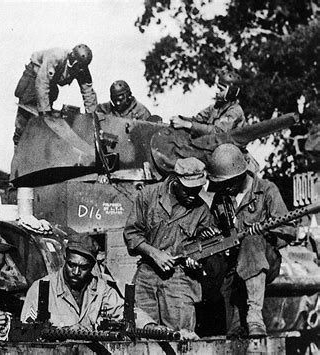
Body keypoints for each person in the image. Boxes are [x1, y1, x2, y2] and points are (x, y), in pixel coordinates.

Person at [206, 143, 295, 338]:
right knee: (233, 333)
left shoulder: (267, 190)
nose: (224, 188)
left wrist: (266, 234)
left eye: (228, 183)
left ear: (240, 175)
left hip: (265, 260)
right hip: (234, 265)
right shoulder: (222, 198)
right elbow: (214, 230)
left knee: (252, 239)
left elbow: (289, 230)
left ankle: (255, 317)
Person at [123, 157, 213, 337]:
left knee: (181, 338)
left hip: (179, 279)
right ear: (174, 180)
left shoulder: (201, 211)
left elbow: (203, 248)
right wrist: (154, 253)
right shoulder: (148, 195)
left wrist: (195, 260)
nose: (193, 195)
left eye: (198, 189)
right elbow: (132, 234)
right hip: (146, 275)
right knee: (141, 334)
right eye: (188, 190)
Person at [21, 232, 159, 331]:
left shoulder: (100, 289)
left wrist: (149, 326)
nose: (75, 272)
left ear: (93, 266)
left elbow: (124, 311)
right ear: (64, 258)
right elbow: (25, 332)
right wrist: (64, 331)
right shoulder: (41, 289)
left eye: (83, 267)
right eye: (71, 265)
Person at [13, 44, 98, 145]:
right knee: (25, 118)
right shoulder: (56, 56)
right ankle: (18, 144)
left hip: (49, 83)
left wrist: (92, 120)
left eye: (82, 67)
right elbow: (42, 83)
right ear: (71, 60)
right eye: (77, 66)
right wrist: (45, 114)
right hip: (34, 77)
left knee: (44, 127)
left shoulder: (82, 67)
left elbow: (88, 92)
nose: (80, 70)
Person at [170, 69, 246, 137]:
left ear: (230, 93)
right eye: (217, 88)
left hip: (228, 149)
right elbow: (198, 119)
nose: (216, 91)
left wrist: (187, 124)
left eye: (221, 89)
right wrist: (181, 119)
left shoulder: (235, 111)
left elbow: (218, 132)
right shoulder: (215, 107)